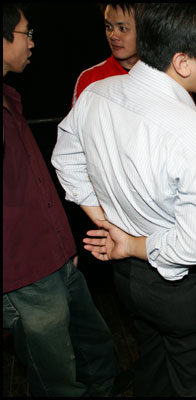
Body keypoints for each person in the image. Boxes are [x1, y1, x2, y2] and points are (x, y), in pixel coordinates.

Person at [52, 4, 196, 396]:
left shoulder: (95, 94)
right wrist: (130, 242)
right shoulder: (195, 134)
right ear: (183, 62)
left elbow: (65, 160)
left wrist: (105, 221)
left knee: (153, 364)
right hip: (183, 289)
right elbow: (193, 247)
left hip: (128, 281)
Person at [3, 4, 116, 396]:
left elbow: (32, 184)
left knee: (97, 350)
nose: (32, 42)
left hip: (56, 258)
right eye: (26, 33)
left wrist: (64, 246)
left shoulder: (10, 97)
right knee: (57, 379)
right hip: (24, 273)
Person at [72, 3, 138, 106]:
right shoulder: (89, 78)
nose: (113, 36)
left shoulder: (161, 74)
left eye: (122, 28)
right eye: (108, 27)